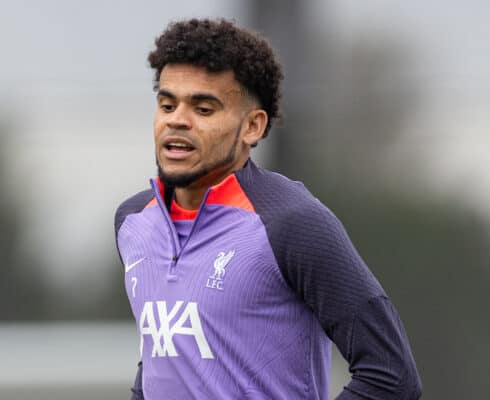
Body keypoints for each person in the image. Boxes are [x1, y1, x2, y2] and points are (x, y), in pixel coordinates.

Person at [114, 18, 422, 400]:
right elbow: (164, 364)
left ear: (252, 127)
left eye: (204, 108)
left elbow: (391, 375)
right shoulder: (133, 223)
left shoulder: (293, 224)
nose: (178, 119)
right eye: (167, 103)